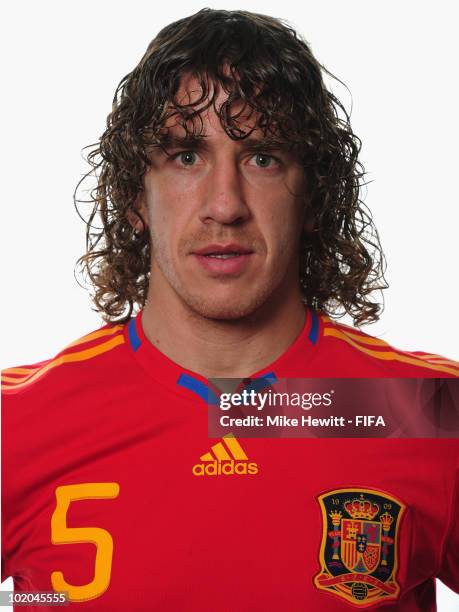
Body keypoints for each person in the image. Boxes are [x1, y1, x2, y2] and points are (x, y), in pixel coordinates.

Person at [2, 8, 458, 611]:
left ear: (315, 196)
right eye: (187, 156)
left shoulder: (427, 410)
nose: (224, 205)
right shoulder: (16, 423)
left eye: (263, 157)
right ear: (135, 194)